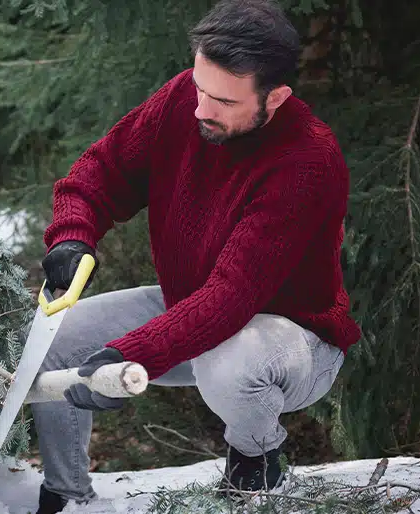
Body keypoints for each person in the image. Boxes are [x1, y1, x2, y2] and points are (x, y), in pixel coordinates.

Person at [31, 0, 362, 512]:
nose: (201, 109)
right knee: (60, 340)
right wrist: (73, 236)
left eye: (224, 101)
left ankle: (258, 461)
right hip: (191, 306)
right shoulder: (187, 98)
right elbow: (102, 170)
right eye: (201, 89)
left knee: (231, 363)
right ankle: (66, 496)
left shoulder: (307, 161)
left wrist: (132, 354)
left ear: (274, 98)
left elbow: (232, 298)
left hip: (290, 339)